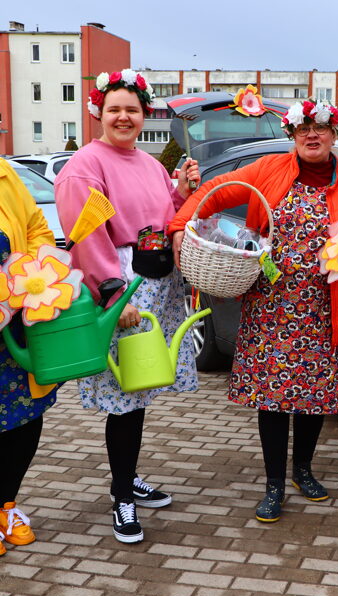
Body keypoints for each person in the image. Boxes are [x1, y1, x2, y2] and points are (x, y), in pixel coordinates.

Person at [168, 99, 338, 522]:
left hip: (323, 308)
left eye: (321, 128)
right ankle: (274, 483)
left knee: (314, 397)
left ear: (334, 134)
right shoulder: (267, 169)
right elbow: (215, 190)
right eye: (303, 128)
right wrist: (179, 225)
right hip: (270, 307)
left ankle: (304, 470)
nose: (312, 135)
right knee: (274, 400)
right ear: (292, 134)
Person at [54, 69, 200, 543]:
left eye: (131, 110)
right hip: (125, 290)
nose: (123, 117)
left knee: (138, 393)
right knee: (124, 400)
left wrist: (180, 191)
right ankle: (121, 496)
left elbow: (162, 216)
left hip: (156, 285)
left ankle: (128, 477)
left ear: (143, 115)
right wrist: (114, 294)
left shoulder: (149, 163)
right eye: (114, 108)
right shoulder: (85, 165)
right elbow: (86, 235)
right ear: (98, 111)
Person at [0, 158, 59, 555]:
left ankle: (6, 505)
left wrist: (33, 270)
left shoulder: (5, 175)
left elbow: (37, 227)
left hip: (17, 323)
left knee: (25, 417)